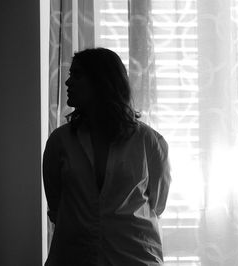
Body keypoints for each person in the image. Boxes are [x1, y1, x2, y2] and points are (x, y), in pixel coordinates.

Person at [43, 48, 171, 266]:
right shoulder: (60, 141)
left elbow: (157, 204)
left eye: (77, 74)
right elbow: (56, 208)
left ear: (102, 81)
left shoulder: (149, 141)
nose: (67, 83)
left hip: (135, 257)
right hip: (73, 258)